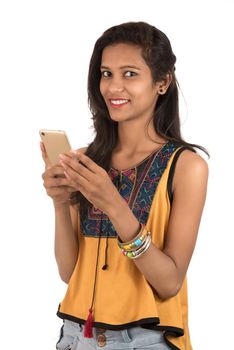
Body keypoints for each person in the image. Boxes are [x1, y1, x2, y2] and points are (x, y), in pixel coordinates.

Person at [41, 21, 209, 350]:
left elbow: (169, 282)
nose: (114, 87)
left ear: (162, 82)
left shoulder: (187, 166)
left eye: (129, 74)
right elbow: (69, 272)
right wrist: (60, 203)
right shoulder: (86, 161)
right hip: (76, 337)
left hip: (144, 340)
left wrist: (115, 206)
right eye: (106, 74)